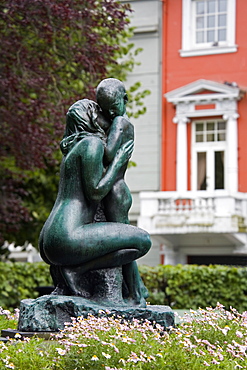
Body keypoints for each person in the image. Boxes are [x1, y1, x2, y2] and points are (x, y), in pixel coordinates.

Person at [39, 94, 151, 305]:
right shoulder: (91, 144)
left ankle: (132, 288)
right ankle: (76, 270)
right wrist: (118, 162)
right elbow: (96, 192)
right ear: (91, 119)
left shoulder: (72, 149)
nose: (106, 117)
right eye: (99, 112)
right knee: (143, 241)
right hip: (68, 236)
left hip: (49, 237)